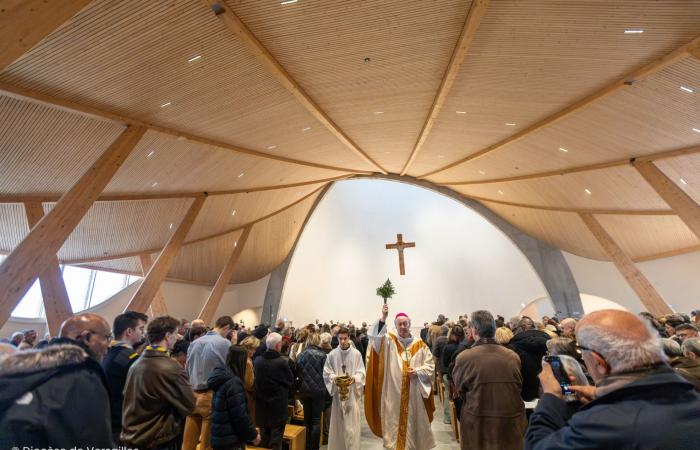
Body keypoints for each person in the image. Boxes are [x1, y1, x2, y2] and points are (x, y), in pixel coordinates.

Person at [526, 309, 700, 449]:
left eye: (581, 350)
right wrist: (607, 395)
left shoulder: (604, 424)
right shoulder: (686, 391)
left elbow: (538, 445)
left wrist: (550, 397)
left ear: (598, 361)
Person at [0, 313, 113, 447]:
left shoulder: (31, 369)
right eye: (107, 337)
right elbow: (93, 441)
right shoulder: (83, 376)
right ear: (87, 337)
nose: (109, 345)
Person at [365, 304, 435, 450]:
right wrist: (383, 318)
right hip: (393, 394)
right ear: (396, 326)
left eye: (406, 324)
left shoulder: (420, 345)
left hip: (414, 395)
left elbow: (430, 367)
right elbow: (375, 340)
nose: (403, 326)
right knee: (393, 429)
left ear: (410, 325)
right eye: (400, 324)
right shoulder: (389, 341)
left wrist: (418, 371)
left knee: (413, 429)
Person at [453, 311, 526, 450]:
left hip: (478, 422)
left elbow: (460, 390)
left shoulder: (464, 357)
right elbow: (519, 386)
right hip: (510, 422)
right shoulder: (512, 356)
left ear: (474, 330)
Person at [121, 315, 195, 450]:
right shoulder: (171, 367)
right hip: (157, 439)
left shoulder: (136, 363)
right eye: (175, 333)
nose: (177, 337)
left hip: (134, 437)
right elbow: (190, 404)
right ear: (167, 336)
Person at [183, 315, 235, 450]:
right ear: (226, 328)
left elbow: (187, 369)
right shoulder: (225, 343)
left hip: (192, 394)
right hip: (211, 395)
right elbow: (230, 370)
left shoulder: (194, 343)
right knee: (207, 445)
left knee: (187, 444)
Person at [101, 310, 148, 444]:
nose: (142, 333)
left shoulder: (106, 353)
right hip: (120, 423)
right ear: (129, 331)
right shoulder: (129, 358)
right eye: (141, 328)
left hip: (106, 419)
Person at [208, 345, 261, 450]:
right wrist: (253, 435)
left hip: (220, 436)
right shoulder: (233, 383)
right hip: (230, 439)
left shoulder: (223, 376)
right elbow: (240, 416)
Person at [323, 327, 366, 450]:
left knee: (351, 427)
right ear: (337, 338)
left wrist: (355, 378)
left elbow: (362, 372)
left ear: (349, 338)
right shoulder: (332, 354)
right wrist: (334, 378)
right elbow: (326, 372)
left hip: (351, 395)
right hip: (337, 396)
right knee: (338, 426)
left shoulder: (356, 354)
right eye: (340, 339)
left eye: (345, 338)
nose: (342, 341)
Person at [254, 332, 294, 450]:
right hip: (277, 407)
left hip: (261, 406)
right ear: (278, 346)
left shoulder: (257, 361)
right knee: (276, 441)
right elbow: (289, 381)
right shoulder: (281, 362)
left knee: (264, 441)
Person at [296, 332, 328, 450]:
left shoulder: (301, 355)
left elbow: (297, 372)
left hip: (304, 390)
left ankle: (305, 445)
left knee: (306, 420)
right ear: (318, 341)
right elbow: (326, 374)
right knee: (316, 420)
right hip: (318, 390)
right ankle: (314, 447)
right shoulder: (323, 355)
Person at [508, 316, 550, 401]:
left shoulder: (514, 344)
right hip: (547, 386)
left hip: (525, 388)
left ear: (521, 327)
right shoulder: (548, 340)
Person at [239, 335, 260, 421]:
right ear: (248, 348)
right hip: (247, 395)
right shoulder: (247, 361)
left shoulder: (241, 358)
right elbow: (249, 384)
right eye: (253, 349)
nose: (254, 351)